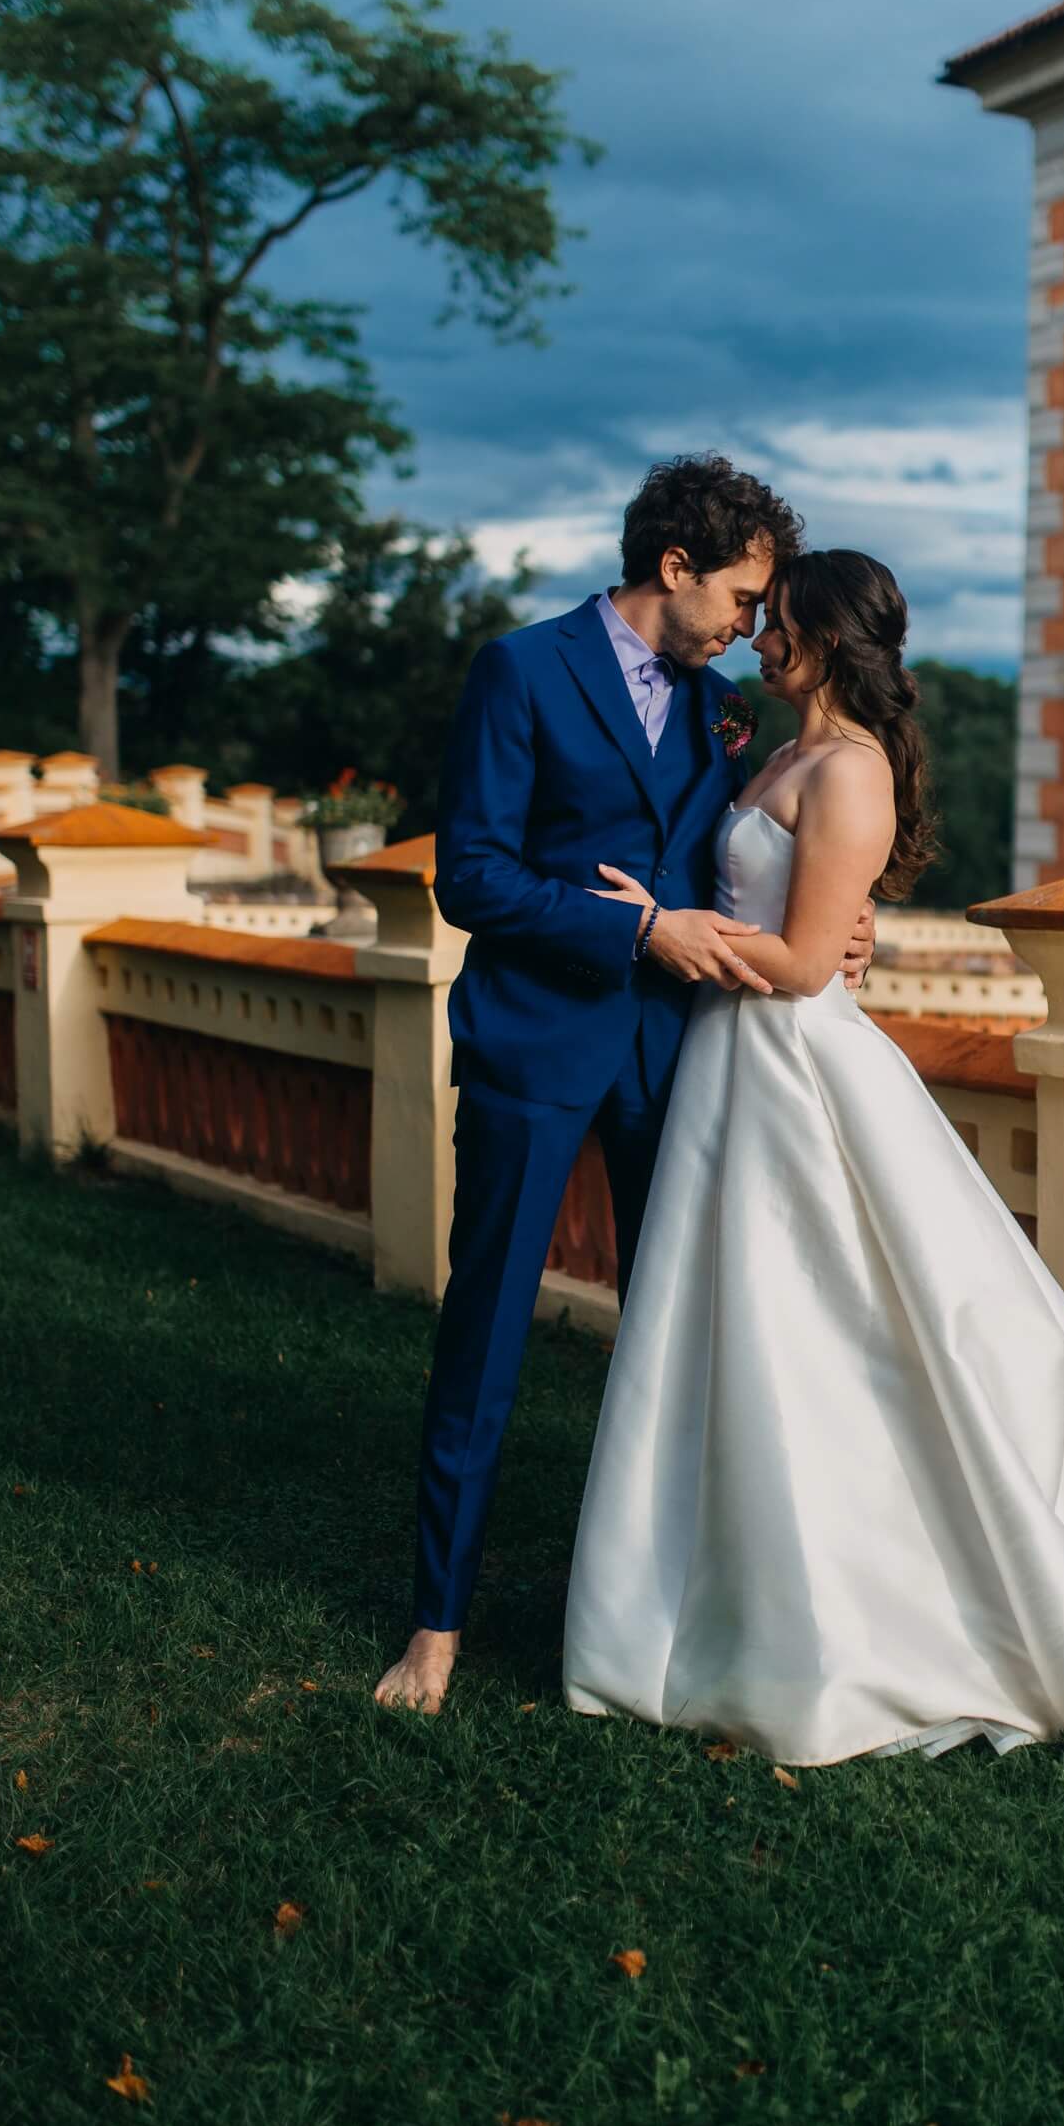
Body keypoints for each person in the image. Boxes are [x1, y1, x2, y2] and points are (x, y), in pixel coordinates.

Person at [562, 549, 1064, 1772]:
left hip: (794, 1065)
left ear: (829, 639)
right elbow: (784, 909)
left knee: (858, 1330)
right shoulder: (775, 754)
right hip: (738, 1076)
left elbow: (797, 964)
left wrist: (659, 931)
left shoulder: (853, 770)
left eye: (779, 622)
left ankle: (889, 1607)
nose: (759, 637)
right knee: (744, 1330)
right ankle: (721, 1579)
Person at [374, 458, 875, 1714]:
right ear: (674, 568)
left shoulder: (724, 716)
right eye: (746, 597)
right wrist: (637, 935)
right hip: (536, 1050)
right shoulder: (521, 671)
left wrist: (841, 933)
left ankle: (672, 1609)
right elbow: (473, 879)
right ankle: (437, 1624)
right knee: (485, 1335)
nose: (756, 626)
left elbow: (755, 866)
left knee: (682, 1345)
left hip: (681, 1066)